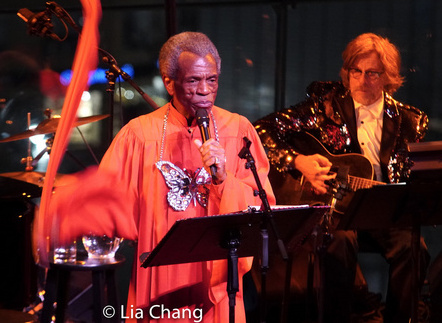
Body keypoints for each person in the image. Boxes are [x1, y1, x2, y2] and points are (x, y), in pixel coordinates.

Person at [50, 31, 275, 322]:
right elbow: (107, 200)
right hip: (160, 276)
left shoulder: (238, 129)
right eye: (194, 80)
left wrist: (223, 180)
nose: (205, 90)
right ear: (169, 82)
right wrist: (70, 204)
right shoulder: (139, 134)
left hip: (216, 272)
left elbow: (262, 205)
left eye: (212, 79)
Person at [253, 32, 430, 322]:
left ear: (388, 76)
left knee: (415, 248)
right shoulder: (326, 104)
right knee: (339, 242)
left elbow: (410, 176)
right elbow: (261, 130)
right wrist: (299, 161)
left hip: (380, 208)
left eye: (372, 73)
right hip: (335, 210)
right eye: (355, 71)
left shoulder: (409, 121)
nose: (362, 80)